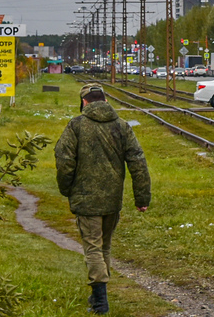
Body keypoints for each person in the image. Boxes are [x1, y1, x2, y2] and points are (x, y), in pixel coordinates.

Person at [55, 83, 151, 314]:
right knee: (104, 247)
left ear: (84, 102)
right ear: (105, 101)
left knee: (93, 248)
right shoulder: (122, 126)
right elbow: (138, 162)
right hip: (112, 200)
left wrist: (66, 188)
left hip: (86, 200)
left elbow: (64, 160)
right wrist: (142, 198)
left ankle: (100, 302)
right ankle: (98, 295)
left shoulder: (76, 126)